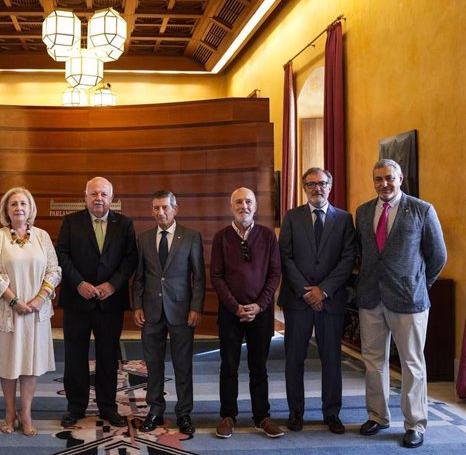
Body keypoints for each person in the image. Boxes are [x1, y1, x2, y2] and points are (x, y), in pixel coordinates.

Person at [355, 159, 447, 448]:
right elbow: (363, 253)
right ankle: (377, 416)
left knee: (411, 363)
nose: (384, 184)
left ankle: (414, 423)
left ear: (400, 178)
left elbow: (438, 256)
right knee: (373, 362)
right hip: (371, 298)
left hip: (409, 300)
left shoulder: (421, 209)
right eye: (378, 179)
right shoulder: (363, 211)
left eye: (389, 178)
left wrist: (420, 283)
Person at [56, 176, 138, 428]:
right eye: (94, 194)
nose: (98, 198)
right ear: (85, 197)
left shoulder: (124, 224)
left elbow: (130, 259)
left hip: (109, 303)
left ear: (111, 199)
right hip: (77, 301)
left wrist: (112, 285)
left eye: (103, 194)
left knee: (107, 357)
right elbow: (62, 255)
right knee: (75, 357)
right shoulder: (71, 222)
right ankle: (76, 407)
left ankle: (107, 407)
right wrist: (79, 283)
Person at [278, 168, 355, 434]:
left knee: (331, 359)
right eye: (311, 184)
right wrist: (306, 291)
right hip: (298, 301)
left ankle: (332, 413)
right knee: (294, 359)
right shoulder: (291, 217)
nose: (317, 188)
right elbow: (285, 257)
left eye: (322, 183)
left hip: (331, 301)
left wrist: (323, 291)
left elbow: (348, 259)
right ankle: (295, 412)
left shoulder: (345, 219)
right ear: (304, 188)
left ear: (330, 186)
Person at [0, 187, 62, 436]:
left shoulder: (42, 236)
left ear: (31, 209)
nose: (19, 208)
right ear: (6, 210)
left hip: (35, 313)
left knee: (30, 363)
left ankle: (26, 413)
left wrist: (39, 299)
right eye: (14, 204)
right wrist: (14, 300)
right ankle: (9, 412)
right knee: (8, 362)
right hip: (7, 311)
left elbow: (54, 270)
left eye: (23, 204)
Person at [212, 187, 283, 439]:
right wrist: (235, 306)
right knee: (228, 367)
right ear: (231, 206)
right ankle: (228, 416)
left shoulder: (267, 236)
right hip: (230, 313)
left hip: (260, 314)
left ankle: (262, 417)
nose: (244, 206)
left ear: (256, 206)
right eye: (239, 202)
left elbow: (275, 274)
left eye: (249, 201)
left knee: (258, 367)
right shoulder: (221, 237)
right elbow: (217, 276)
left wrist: (260, 305)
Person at [132, 190, 205, 435]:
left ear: (175, 209)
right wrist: (138, 305)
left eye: (165, 207)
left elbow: (198, 278)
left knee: (183, 365)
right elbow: (139, 277)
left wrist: (196, 307)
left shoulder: (191, 237)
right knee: (153, 365)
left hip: (182, 312)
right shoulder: (143, 238)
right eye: (155, 208)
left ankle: (184, 413)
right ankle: (155, 410)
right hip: (151, 311)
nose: (160, 212)